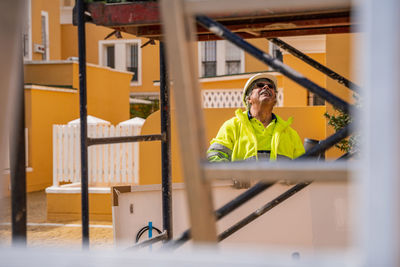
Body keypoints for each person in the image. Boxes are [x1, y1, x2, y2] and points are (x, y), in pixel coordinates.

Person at [207, 73, 305, 164]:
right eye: (260, 85)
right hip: (243, 183)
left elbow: (304, 167)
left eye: (270, 87)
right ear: (249, 98)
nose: (266, 87)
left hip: (280, 184)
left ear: (275, 99)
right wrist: (232, 174)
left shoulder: (290, 134)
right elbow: (214, 156)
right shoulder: (232, 127)